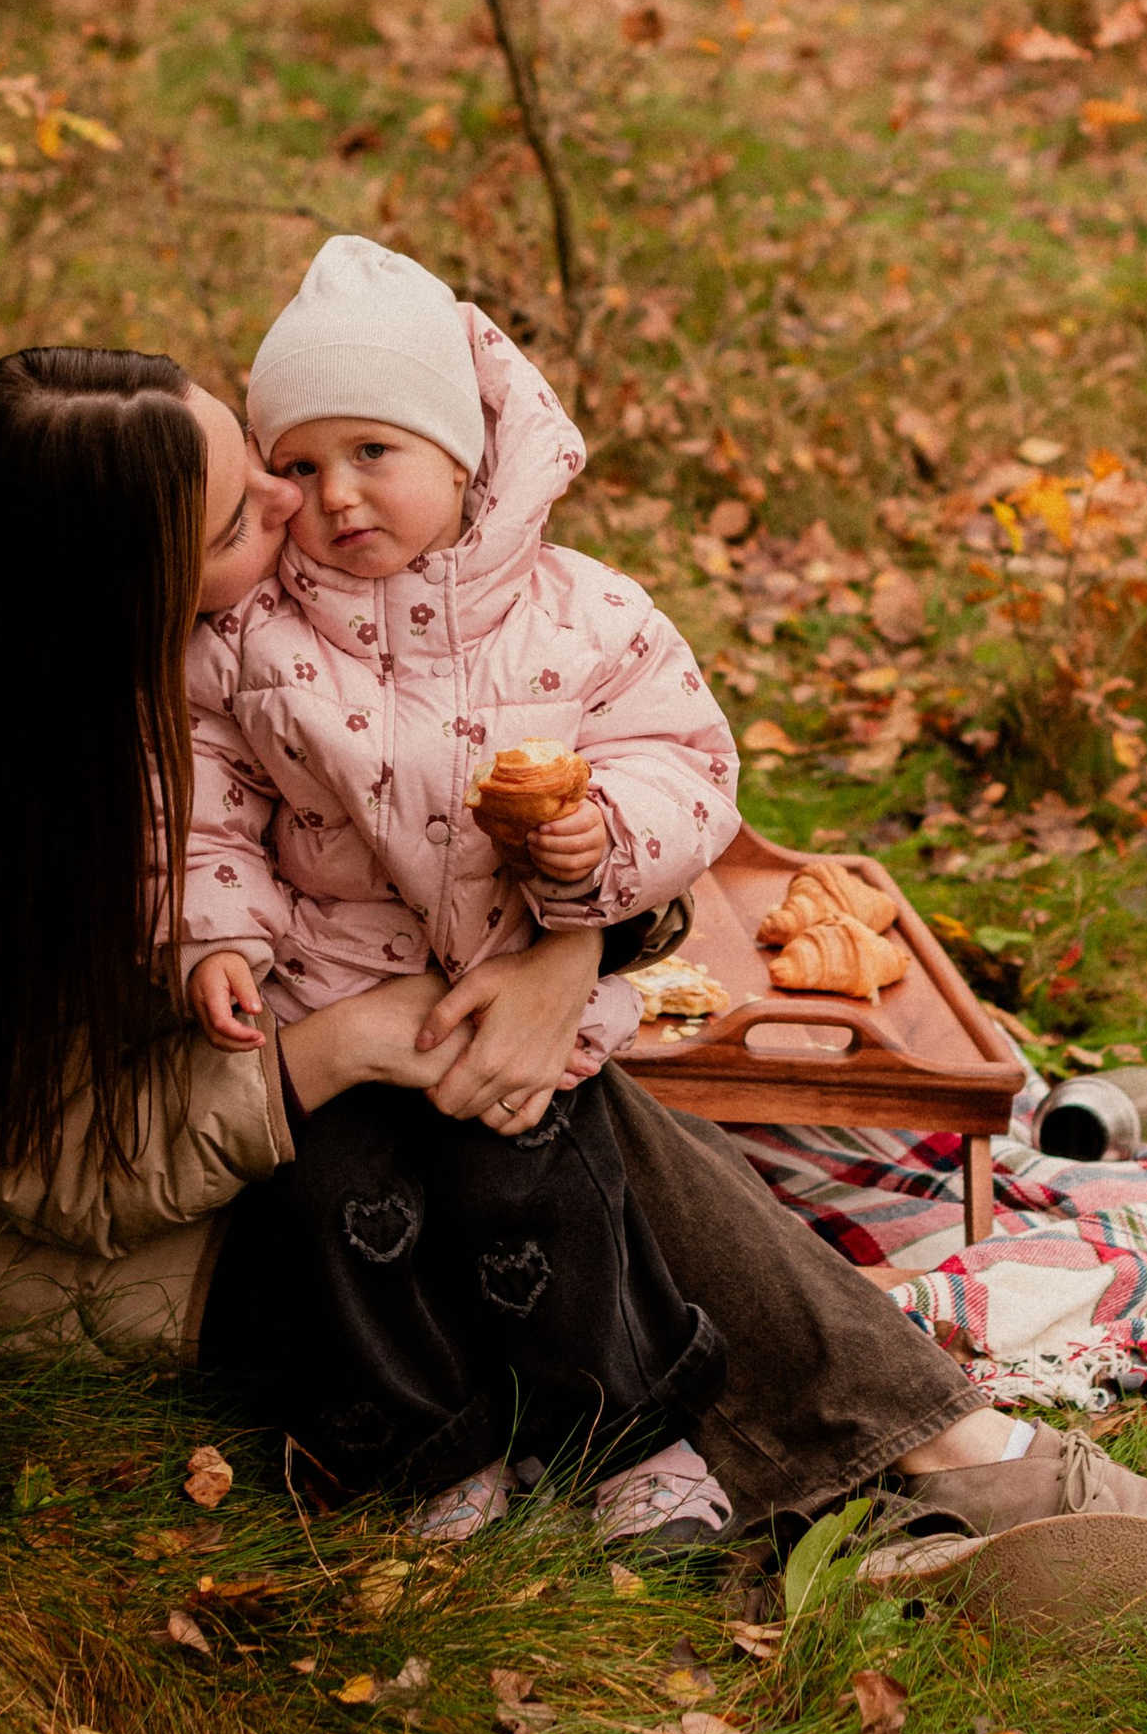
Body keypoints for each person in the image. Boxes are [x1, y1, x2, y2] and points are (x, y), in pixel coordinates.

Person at [0, 341, 1147, 1610]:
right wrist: (346, 1046)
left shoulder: (160, 678)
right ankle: (918, 1485)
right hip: (53, 1277)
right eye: (244, 510)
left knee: (538, 1088)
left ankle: (903, 1482)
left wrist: (564, 953)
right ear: (136, 579)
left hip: (224, 1159)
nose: (292, 503)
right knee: (560, 1124)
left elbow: (423, 839)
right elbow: (73, 1180)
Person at [182, 236, 744, 1542]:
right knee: (338, 1211)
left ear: (464, 455)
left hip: (507, 982)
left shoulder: (580, 616)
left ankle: (629, 1445)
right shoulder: (252, 637)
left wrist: (596, 843)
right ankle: (429, 1454)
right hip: (330, 988)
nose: (338, 498)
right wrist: (215, 935)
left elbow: (688, 762)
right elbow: (209, 797)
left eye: (374, 453)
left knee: (544, 1189)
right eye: (303, 466)